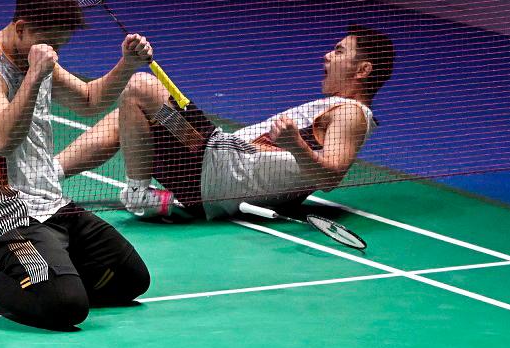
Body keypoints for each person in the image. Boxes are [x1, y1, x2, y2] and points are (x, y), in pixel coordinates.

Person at [0, 0, 154, 330]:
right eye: (49, 41)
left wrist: (126, 64)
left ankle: (49, 275)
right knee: (64, 306)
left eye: (60, 44)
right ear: (20, 28)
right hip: (9, 217)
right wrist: (35, 76)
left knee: (129, 279)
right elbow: (2, 141)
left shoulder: (35, 54)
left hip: (54, 206)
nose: (54, 52)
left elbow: (89, 100)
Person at [64, 24, 394, 221]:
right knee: (131, 111)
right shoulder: (335, 108)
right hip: (212, 164)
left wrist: (295, 145)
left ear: (362, 70)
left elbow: (331, 177)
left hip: (218, 166)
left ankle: (137, 192)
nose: (327, 55)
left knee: (140, 86)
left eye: (339, 52)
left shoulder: (350, 113)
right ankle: (47, 173)